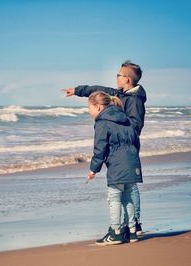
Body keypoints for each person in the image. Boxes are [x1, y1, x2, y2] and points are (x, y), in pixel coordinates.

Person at [62, 60, 146, 235]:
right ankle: (130, 225)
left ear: (128, 80)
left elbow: (135, 126)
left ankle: (134, 223)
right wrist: (78, 91)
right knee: (125, 186)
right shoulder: (121, 94)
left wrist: (114, 128)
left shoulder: (135, 100)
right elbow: (100, 90)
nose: (116, 77)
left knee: (128, 188)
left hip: (128, 146)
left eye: (119, 75)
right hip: (118, 145)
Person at [86, 91, 143, 245]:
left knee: (114, 198)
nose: (89, 111)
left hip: (117, 165)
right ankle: (132, 231)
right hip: (132, 162)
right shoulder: (126, 119)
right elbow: (136, 141)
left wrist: (93, 169)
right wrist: (132, 159)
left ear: (98, 106)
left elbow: (100, 148)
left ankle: (115, 232)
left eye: (89, 108)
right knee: (128, 196)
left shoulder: (102, 122)